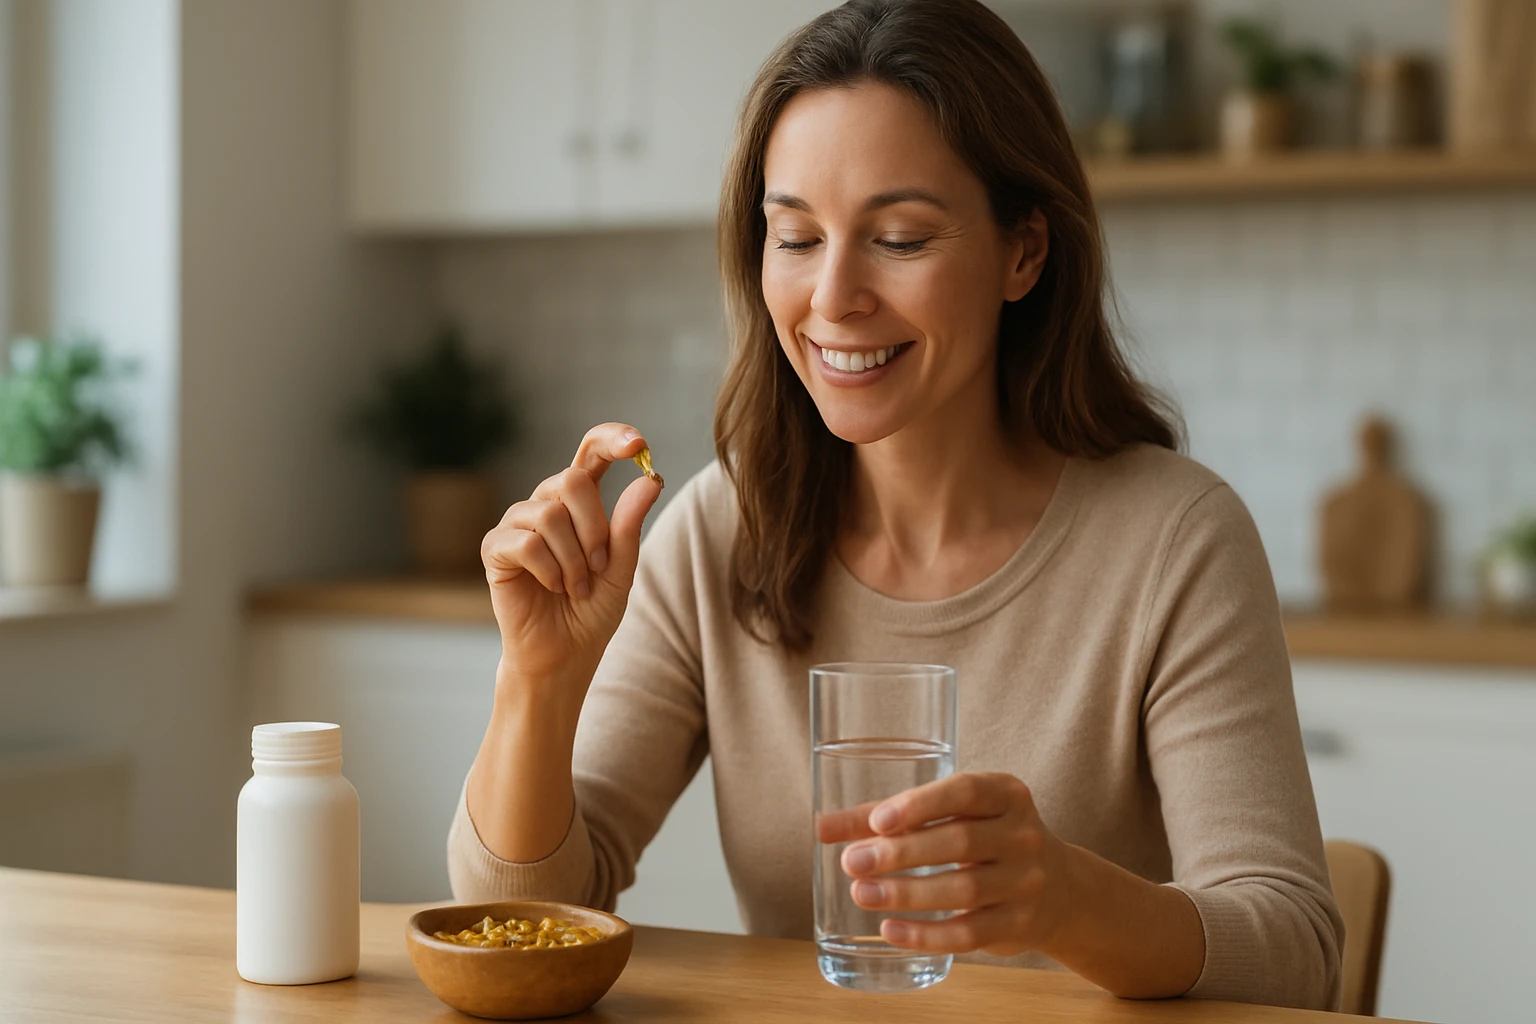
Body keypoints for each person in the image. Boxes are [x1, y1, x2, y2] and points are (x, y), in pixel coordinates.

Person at [449, 0, 1342, 1009]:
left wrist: (1066, 897)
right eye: (794, 236)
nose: (833, 296)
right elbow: (516, 909)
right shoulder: (719, 531)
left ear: (1024, 254)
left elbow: (1296, 949)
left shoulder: (1175, 541)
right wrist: (537, 680)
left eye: (901, 238)